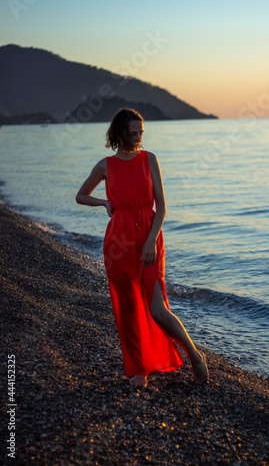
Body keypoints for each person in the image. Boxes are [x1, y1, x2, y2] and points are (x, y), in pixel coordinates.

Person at [76, 108, 208, 388]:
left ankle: (195, 356)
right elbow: (80, 196)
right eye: (133, 132)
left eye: (141, 133)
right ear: (120, 133)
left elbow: (161, 207)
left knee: (157, 308)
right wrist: (104, 202)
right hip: (118, 241)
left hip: (149, 235)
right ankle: (139, 369)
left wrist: (151, 241)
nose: (138, 138)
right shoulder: (105, 165)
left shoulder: (150, 159)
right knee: (128, 309)